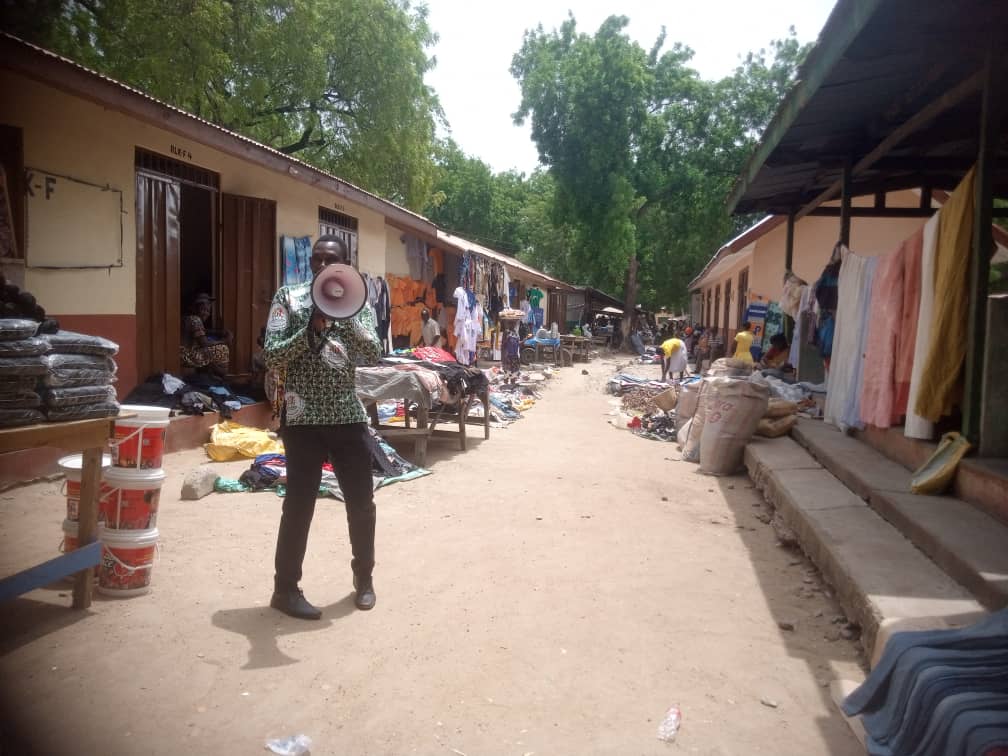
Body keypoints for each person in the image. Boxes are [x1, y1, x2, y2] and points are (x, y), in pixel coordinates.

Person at [263, 235, 383, 619]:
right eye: (317, 259)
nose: (322, 266)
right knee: (298, 507)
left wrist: (346, 317)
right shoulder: (289, 297)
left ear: (345, 265)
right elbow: (272, 355)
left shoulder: (358, 301)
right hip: (302, 420)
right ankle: (285, 590)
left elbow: (374, 353)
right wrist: (310, 328)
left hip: (347, 417)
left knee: (361, 504)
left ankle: (364, 579)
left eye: (331, 260)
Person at [180, 292, 231, 378]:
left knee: (213, 347)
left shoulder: (187, 318)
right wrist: (224, 341)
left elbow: (202, 331)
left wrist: (218, 332)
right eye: (203, 310)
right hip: (186, 356)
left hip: (182, 354)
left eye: (208, 311)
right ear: (195, 309)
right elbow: (204, 343)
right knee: (222, 349)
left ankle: (213, 373)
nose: (206, 313)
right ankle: (221, 375)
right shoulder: (195, 319)